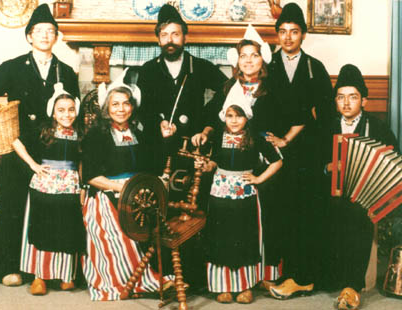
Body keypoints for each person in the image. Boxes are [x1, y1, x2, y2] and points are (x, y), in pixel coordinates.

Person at [0, 4, 80, 286]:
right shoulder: (13, 67)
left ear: (56, 37)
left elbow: (74, 113)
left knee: (51, 208)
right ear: (29, 36)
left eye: (50, 31)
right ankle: (7, 268)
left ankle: (44, 270)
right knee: (14, 204)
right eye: (38, 31)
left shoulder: (66, 71)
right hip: (19, 146)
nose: (45, 35)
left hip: (54, 149)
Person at [81, 70, 173, 300]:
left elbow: (154, 165)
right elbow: (90, 176)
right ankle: (125, 281)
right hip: (105, 196)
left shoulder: (140, 132)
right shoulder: (96, 135)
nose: (120, 109)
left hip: (137, 193)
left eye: (125, 104)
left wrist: (165, 138)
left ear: (132, 107)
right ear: (107, 108)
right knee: (115, 232)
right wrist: (120, 188)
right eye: (115, 104)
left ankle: (145, 278)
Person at [265, 2, 334, 298]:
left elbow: (328, 117)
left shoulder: (314, 67)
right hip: (274, 154)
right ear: (277, 34)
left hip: (307, 156)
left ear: (304, 35)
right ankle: (284, 272)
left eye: (294, 32)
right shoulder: (268, 67)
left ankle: (303, 277)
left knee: (305, 215)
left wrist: (323, 159)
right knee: (280, 215)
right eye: (283, 32)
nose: (288, 37)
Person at [317, 64, 398, 310]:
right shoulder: (325, 126)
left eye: (353, 97)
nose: (346, 103)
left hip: (366, 198)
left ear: (364, 100)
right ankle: (323, 278)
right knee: (311, 207)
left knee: (357, 214)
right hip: (331, 193)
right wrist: (327, 168)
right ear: (335, 101)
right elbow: (311, 163)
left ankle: (352, 286)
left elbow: (394, 163)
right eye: (341, 97)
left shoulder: (379, 127)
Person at [196, 99, 282, 304]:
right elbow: (215, 161)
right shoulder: (217, 137)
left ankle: (245, 285)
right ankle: (222, 286)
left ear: (247, 117)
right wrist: (205, 166)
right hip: (219, 193)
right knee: (220, 236)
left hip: (245, 195)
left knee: (245, 237)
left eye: (239, 116)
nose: (234, 121)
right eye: (230, 116)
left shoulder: (256, 139)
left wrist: (259, 179)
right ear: (224, 117)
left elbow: (277, 161)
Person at [12, 86, 86, 295]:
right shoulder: (43, 131)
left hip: (70, 186)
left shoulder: (80, 133)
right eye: (61, 110)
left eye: (71, 109)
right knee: (42, 228)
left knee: (66, 229)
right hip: (45, 187)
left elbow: (82, 162)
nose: (66, 114)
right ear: (52, 112)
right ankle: (39, 277)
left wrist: (82, 185)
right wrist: (33, 165)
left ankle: (65, 276)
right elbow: (15, 141)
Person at [137, 3, 228, 172]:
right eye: (164, 35)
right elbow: (142, 107)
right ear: (158, 40)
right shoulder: (147, 70)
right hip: (157, 146)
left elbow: (228, 90)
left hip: (193, 146)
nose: (169, 40)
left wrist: (207, 123)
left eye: (175, 34)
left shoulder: (201, 66)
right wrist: (159, 123)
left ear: (185, 37)